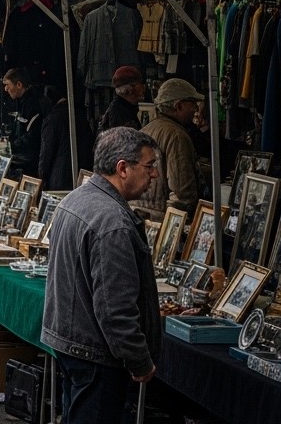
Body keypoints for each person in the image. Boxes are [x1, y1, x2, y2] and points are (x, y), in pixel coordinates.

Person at [42, 127, 161, 422]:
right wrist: (140, 361)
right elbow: (115, 309)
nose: (154, 175)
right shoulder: (113, 223)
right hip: (95, 354)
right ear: (123, 168)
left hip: (73, 343)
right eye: (149, 166)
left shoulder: (75, 199)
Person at [135, 78, 206, 221]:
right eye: (192, 103)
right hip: (163, 221)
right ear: (178, 106)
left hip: (142, 217)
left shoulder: (144, 130)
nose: (196, 109)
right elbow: (182, 193)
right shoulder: (177, 136)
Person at [37, 85, 94, 192]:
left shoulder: (53, 118)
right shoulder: (80, 114)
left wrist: (42, 176)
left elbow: (46, 151)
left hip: (60, 179)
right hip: (82, 175)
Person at [2, 67, 50, 179]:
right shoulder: (22, 102)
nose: (6, 89)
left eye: (8, 85)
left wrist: (12, 145)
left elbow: (34, 134)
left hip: (30, 160)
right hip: (24, 156)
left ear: (19, 84)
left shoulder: (33, 103)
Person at [100, 65, 145, 130]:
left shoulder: (126, 108)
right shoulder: (119, 113)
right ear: (129, 90)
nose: (142, 89)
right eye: (139, 85)